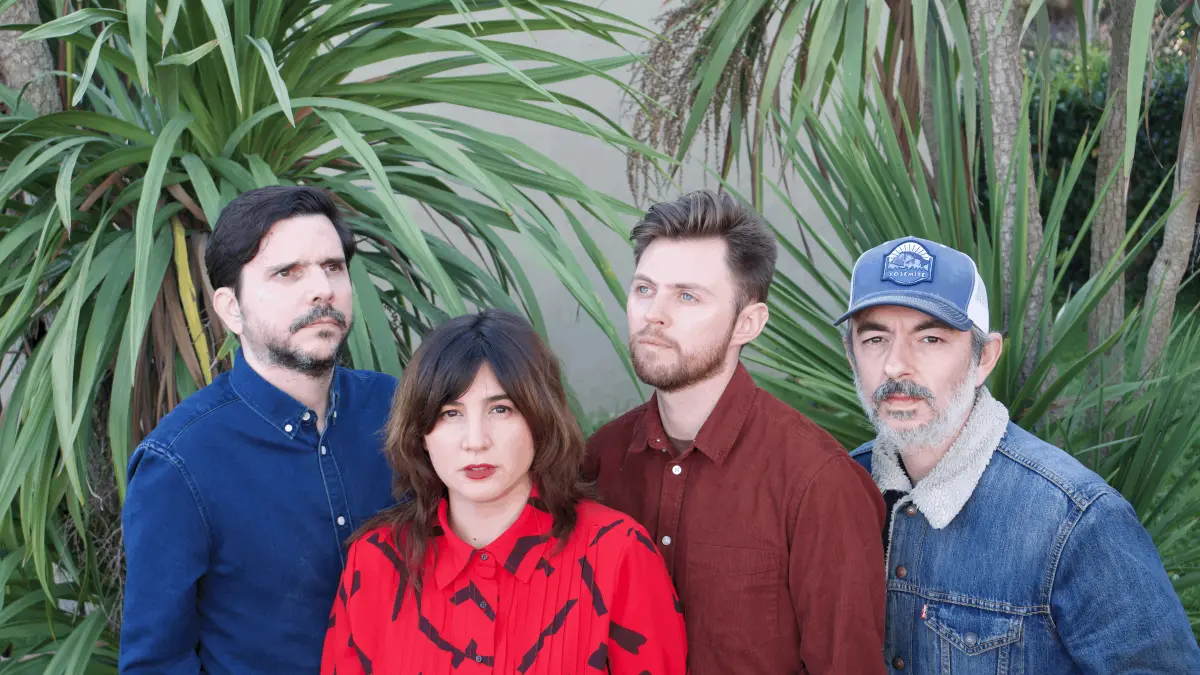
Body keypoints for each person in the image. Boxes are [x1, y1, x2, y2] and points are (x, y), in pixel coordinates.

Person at [837, 236, 1200, 673]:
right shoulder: (832, 491)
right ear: (852, 356)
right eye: (875, 338)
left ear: (985, 358)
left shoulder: (1074, 520)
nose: (895, 365)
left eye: (930, 338)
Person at [585, 190, 887, 675]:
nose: (654, 313)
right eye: (644, 289)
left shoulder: (818, 482)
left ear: (748, 323)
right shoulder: (600, 459)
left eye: (687, 296)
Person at [120, 186, 398, 674]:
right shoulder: (181, 463)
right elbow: (157, 662)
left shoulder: (399, 410)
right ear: (231, 308)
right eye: (288, 272)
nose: (322, 288)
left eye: (333, 267)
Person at [321, 309, 687, 675]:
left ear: (540, 420)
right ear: (421, 433)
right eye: (451, 413)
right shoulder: (374, 562)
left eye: (500, 409)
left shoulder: (618, 553)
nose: (476, 441)